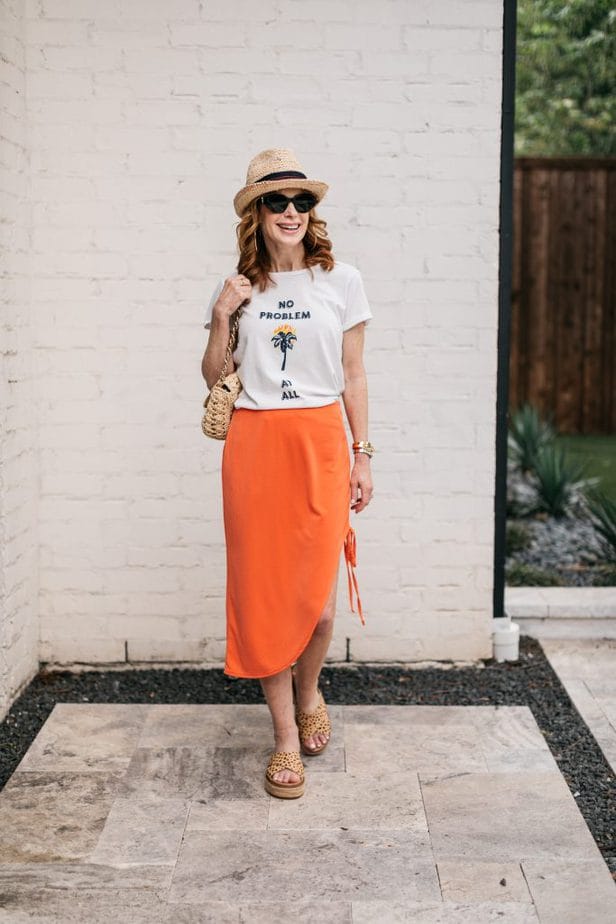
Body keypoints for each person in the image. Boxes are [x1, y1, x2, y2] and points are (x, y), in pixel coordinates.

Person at [201, 148, 375, 799]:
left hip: (320, 443)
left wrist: (364, 452)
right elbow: (215, 374)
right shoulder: (241, 288)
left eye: (303, 202)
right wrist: (221, 316)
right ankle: (281, 738)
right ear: (257, 213)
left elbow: (354, 375)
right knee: (264, 597)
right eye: (278, 202)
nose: (293, 212)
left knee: (319, 609)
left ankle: (310, 692)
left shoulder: (341, 282)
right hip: (255, 447)